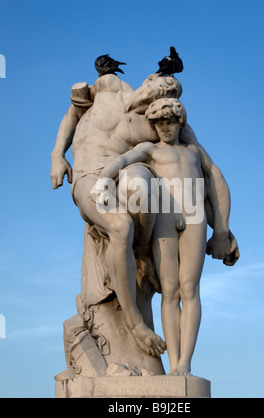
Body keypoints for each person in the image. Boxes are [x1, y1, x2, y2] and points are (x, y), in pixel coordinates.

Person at [50, 71, 239, 358]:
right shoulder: (110, 86)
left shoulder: (166, 125)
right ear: (149, 79)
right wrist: (57, 154)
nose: (166, 93)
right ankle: (136, 324)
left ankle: (141, 257)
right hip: (90, 175)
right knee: (121, 226)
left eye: (173, 93)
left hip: (148, 193)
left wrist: (222, 229)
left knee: (139, 184)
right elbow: (75, 109)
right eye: (162, 86)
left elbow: (202, 176)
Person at [95, 98, 210, 375]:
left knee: (190, 289)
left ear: (180, 122)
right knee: (169, 292)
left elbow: (216, 179)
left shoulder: (194, 150)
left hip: (194, 214)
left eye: (169, 122)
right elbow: (122, 160)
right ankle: (174, 367)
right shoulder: (150, 149)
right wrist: (104, 180)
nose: (164, 128)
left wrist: (222, 229)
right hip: (166, 217)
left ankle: (185, 364)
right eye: (158, 123)